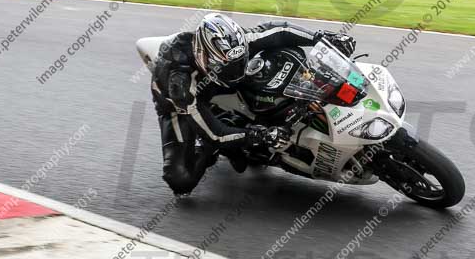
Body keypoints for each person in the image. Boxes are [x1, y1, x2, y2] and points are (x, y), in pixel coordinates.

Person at [151, 12, 356, 195]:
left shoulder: (235, 46)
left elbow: (280, 31)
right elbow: (214, 133)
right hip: (182, 107)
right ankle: (209, 149)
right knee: (181, 180)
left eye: (239, 62)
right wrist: (258, 135)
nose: (237, 71)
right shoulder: (181, 84)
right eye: (228, 67)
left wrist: (321, 38)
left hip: (219, 83)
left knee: (270, 70)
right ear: (203, 57)